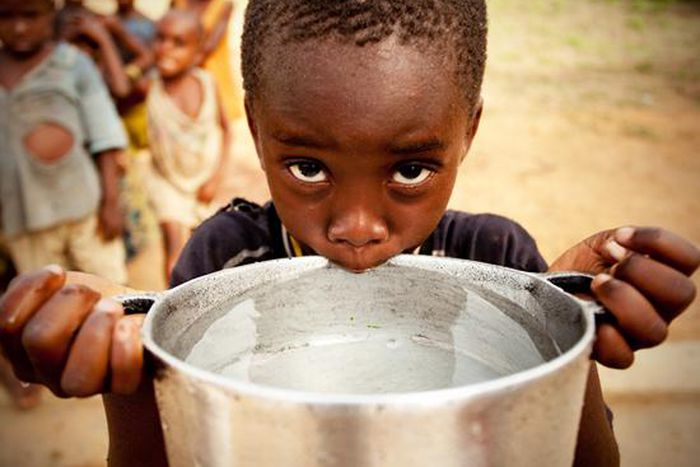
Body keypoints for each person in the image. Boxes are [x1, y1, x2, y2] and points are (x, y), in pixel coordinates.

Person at [0, 1, 698, 466]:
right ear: (254, 126)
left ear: (470, 132)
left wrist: (561, 342)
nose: (357, 229)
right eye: (307, 166)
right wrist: (128, 376)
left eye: (411, 169)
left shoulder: (503, 262)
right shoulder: (222, 261)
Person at [0, 0, 129, 407]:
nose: (19, 28)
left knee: (110, 287)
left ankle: (125, 366)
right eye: (7, 16)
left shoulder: (72, 65)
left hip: (83, 207)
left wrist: (111, 199)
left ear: (50, 15)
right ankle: (70, 369)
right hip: (23, 216)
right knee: (44, 299)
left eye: (30, 15)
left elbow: (106, 132)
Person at [140, 9, 231, 281]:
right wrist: (109, 36)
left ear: (198, 50)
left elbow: (226, 130)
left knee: (200, 247)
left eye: (178, 43)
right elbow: (119, 89)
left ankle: (197, 301)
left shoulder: (207, 82)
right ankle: (169, 303)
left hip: (202, 180)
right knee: (175, 251)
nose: (166, 49)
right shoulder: (149, 87)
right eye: (160, 39)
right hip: (167, 181)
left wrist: (215, 177)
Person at [175, 0, 242, 121]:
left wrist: (181, 71)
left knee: (216, 116)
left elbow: (209, 46)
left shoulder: (224, 4)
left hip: (212, 69)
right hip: (182, 66)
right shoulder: (179, 2)